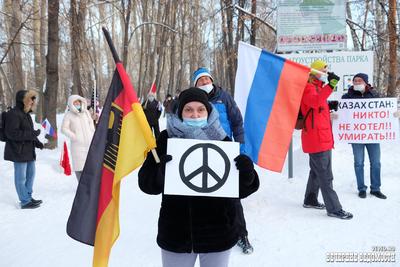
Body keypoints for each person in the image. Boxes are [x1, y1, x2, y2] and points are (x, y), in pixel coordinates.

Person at [138, 88, 259, 267]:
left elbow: (240, 189)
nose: (195, 115)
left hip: (217, 233)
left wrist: (247, 173)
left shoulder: (221, 140)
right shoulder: (166, 139)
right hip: (176, 234)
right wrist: (161, 173)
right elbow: (146, 183)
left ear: (208, 112)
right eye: (189, 109)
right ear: (180, 112)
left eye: (200, 109)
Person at [192, 67, 252, 254]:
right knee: (204, 193)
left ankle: (241, 234)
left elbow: (237, 123)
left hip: (226, 152)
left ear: (212, 79)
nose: (204, 83)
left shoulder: (224, 97)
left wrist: (240, 147)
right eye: (200, 81)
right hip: (201, 153)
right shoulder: (192, 99)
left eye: (206, 79)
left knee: (232, 195)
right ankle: (205, 233)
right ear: (195, 84)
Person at [301, 60, 353, 220]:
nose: (327, 71)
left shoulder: (317, 87)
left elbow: (319, 109)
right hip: (316, 139)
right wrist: (330, 85)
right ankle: (334, 208)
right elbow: (315, 102)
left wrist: (328, 86)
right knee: (325, 175)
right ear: (316, 72)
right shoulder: (308, 87)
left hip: (322, 138)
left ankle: (310, 199)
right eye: (324, 69)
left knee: (316, 172)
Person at [342, 73, 386, 199]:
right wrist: (336, 116)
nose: (356, 82)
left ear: (366, 82)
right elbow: (342, 113)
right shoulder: (347, 97)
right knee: (359, 163)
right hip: (356, 136)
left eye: (359, 80)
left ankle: (375, 188)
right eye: (355, 81)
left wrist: (392, 114)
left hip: (373, 135)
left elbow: (384, 111)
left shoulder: (375, 95)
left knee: (376, 162)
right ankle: (361, 188)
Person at [4, 89, 44, 209]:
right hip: (18, 151)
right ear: (24, 100)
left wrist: (38, 143)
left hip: (28, 151)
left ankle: (28, 196)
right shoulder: (13, 114)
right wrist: (32, 135)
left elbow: (29, 132)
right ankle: (25, 201)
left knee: (31, 175)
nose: (33, 102)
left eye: (33, 100)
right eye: (31, 99)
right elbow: (12, 133)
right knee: (21, 177)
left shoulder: (26, 114)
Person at [61, 95, 95, 181]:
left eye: (78, 102)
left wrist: (92, 132)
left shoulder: (86, 112)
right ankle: (81, 188)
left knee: (91, 167)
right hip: (77, 146)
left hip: (89, 144)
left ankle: (90, 187)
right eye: (75, 102)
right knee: (80, 168)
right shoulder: (69, 115)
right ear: (71, 104)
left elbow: (91, 123)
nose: (77, 104)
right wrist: (75, 137)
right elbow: (64, 129)